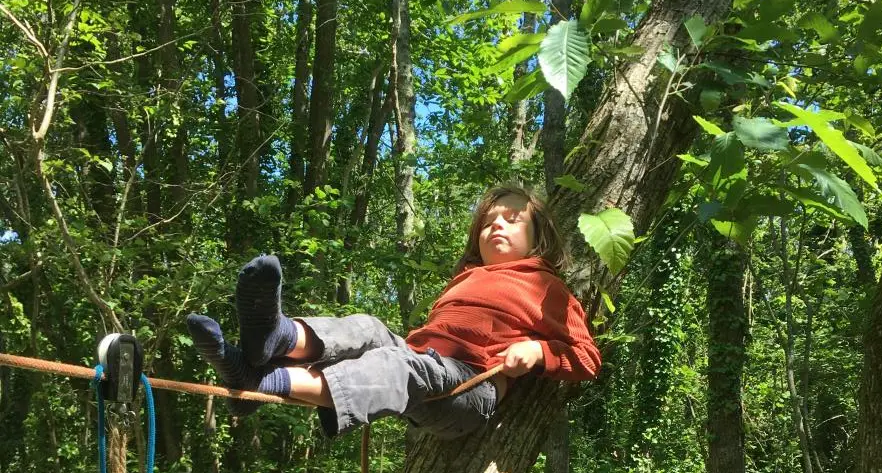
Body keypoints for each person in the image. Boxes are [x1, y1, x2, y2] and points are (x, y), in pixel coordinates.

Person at [186, 183, 601, 440]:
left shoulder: (547, 287)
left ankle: (266, 379)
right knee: (369, 328)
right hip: (422, 362)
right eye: (488, 222)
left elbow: (587, 357)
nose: (497, 226)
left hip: (469, 388)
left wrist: (537, 353)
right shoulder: (467, 278)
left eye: (512, 220)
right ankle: (279, 339)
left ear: (539, 235)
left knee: (399, 363)